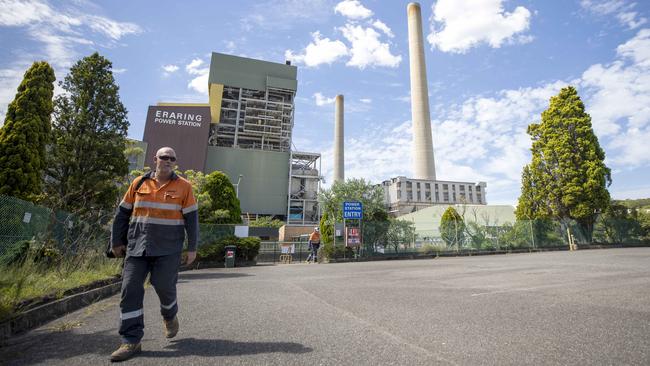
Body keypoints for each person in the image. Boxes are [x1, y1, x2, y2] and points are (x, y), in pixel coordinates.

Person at [109, 147, 198, 362]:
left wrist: (192, 248)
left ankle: (169, 316)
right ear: (155, 159)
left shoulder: (184, 187)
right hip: (137, 246)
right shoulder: (138, 183)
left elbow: (192, 221)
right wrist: (116, 241)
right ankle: (131, 340)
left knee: (164, 286)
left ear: (175, 162)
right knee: (129, 289)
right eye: (164, 157)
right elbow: (122, 215)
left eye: (172, 158)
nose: (168, 161)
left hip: (168, 249)